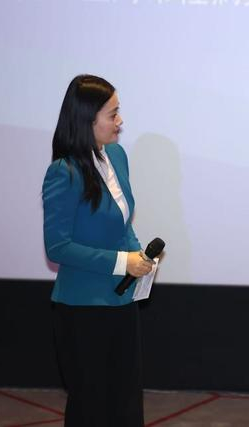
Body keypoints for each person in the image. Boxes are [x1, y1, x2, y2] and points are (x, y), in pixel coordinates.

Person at [42, 74, 154, 426]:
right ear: (87, 120)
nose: (120, 121)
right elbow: (58, 247)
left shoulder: (116, 156)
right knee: (91, 406)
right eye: (112, 114)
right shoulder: (63, 172)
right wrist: (122, 262)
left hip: (122, 303)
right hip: (82, 309)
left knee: (126, 403)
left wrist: (139, 256)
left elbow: (122, 223)